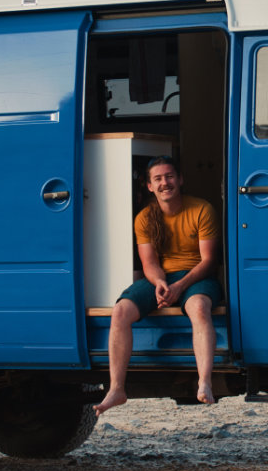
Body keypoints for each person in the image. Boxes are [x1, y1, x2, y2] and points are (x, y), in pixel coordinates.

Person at [94, 156, 221, 415]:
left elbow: (209, 262)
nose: (165, 183)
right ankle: (117, 388)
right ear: (150, 186)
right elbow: (149, 264)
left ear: (180, 179)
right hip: (163, 277)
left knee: (198, 307)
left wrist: (180, 286)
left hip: (196, 276)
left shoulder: (202, 209)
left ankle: (205, 381)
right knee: (120, 311)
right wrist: (161, 283)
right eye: (158, 179)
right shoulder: (144, 218)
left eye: (170, 176)